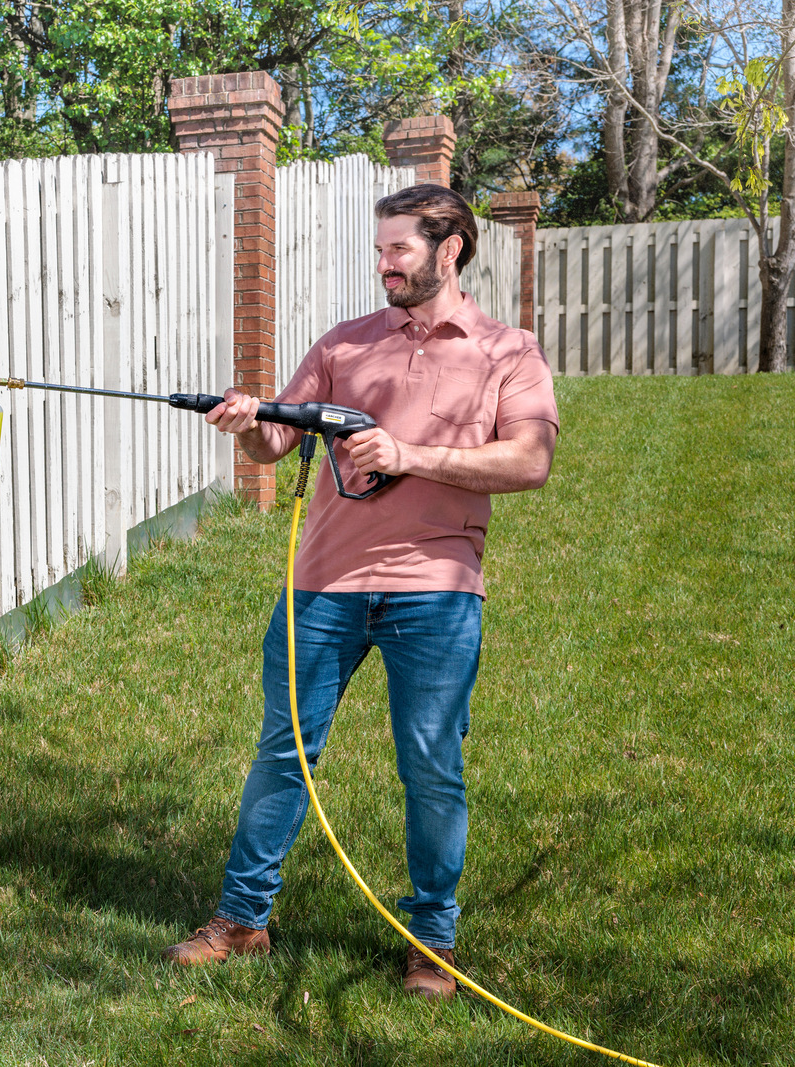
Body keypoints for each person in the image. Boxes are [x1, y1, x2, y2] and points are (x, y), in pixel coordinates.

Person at [162, 184, 559, 1000]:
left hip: (437, 591)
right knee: (285, 751)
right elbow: (281, 438)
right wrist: (249, 422)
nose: (382, 265)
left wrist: (410, 455)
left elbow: (529, 461)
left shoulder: (507, 352)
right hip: (323, 586)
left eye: (398, 250)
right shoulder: (346, 344)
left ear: (449, 250)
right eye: (379, 251)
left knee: (431, 768)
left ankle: (430, 942)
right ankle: (242, 919)